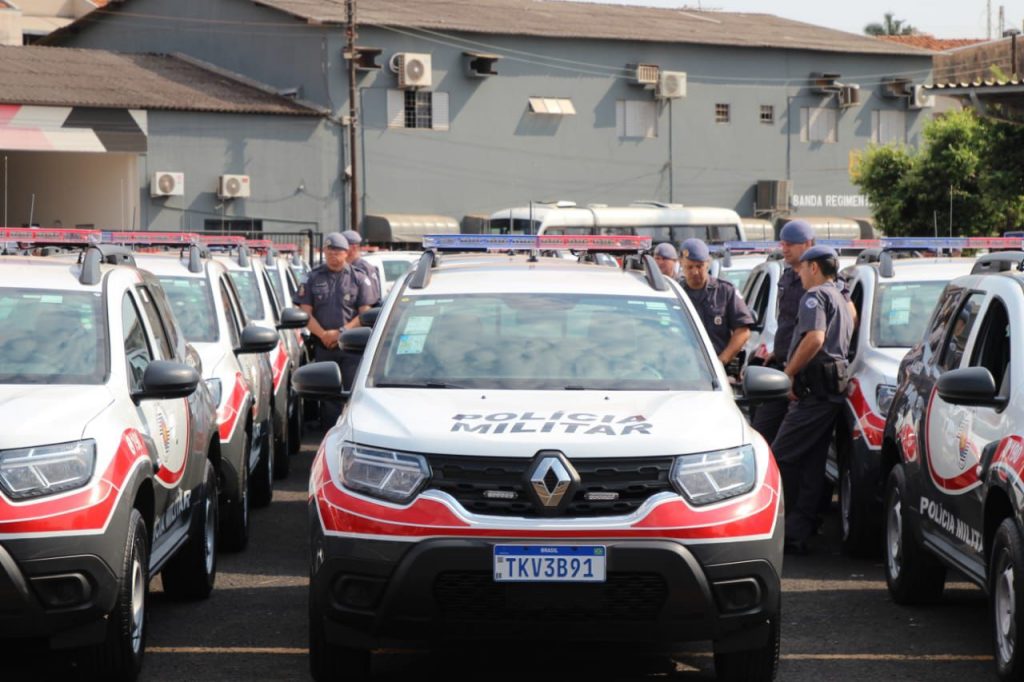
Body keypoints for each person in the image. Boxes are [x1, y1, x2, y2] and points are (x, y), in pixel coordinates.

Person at [771, 245, 853, 555]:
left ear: (814, 268)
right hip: (827, 392)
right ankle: (797, 531)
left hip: (815, 392)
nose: (800, 274)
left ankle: (776, 528)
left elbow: (815, 338)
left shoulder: (815, 296)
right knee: (811, 464)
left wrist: (788, 374)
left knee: (779, 459)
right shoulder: (839, 297)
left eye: (802, 269)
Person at [294, 232, 373, 425]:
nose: (332, 256)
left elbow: (365, 314)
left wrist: (341, 332)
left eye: (337, 252)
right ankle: (329, 436)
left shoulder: (359, 279)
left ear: (347, 253)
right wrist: (324, 335)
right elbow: (305, 313)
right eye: (329, 252)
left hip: (351, 348)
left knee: (352, 393)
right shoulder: (312, 278)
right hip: (324, 346)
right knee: (328, 397)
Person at [677, 237, 754, 367]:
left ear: (708, 263)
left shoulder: (725, 291)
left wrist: (722, 360)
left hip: (718, 367)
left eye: (699, 266)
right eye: (689, 267)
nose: (695, 272)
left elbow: (743, 331)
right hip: (683, 367)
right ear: (681, 264)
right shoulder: (676, 293)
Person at [341, 230, 382, 306]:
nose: (340, 249)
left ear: (353, 248)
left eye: (342, 246)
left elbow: (371, 301)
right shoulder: (343, 267)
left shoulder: (365, 269)